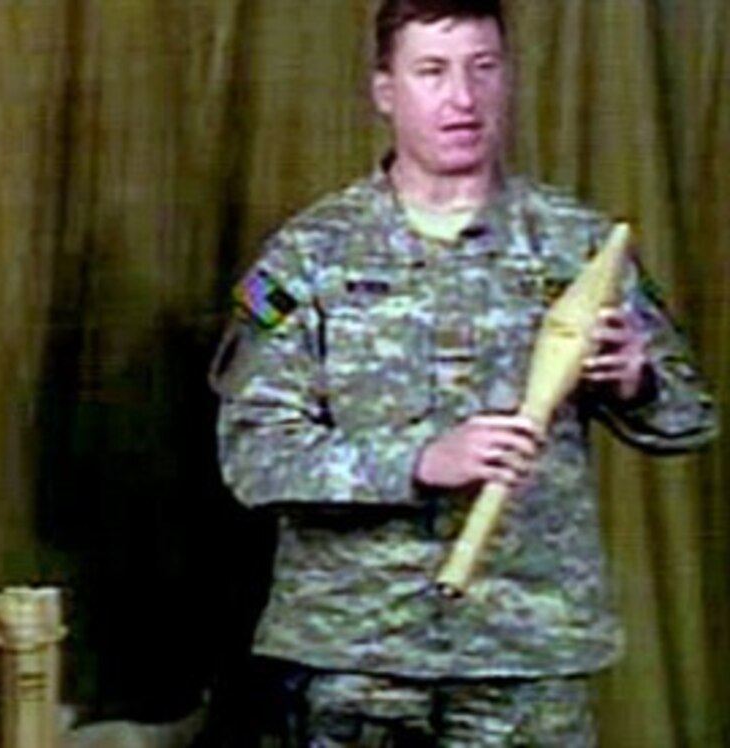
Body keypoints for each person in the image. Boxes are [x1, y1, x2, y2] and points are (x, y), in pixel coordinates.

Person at [208, 0, 718, 745]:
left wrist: (634, 382)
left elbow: (692, 419)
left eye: (484, 68)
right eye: (432, 71)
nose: (463, 98)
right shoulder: (307, 257)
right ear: (385, 90)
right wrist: (417, 461)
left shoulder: (578, 247)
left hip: (527, 653)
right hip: (358, 657)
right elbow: (252, 455)